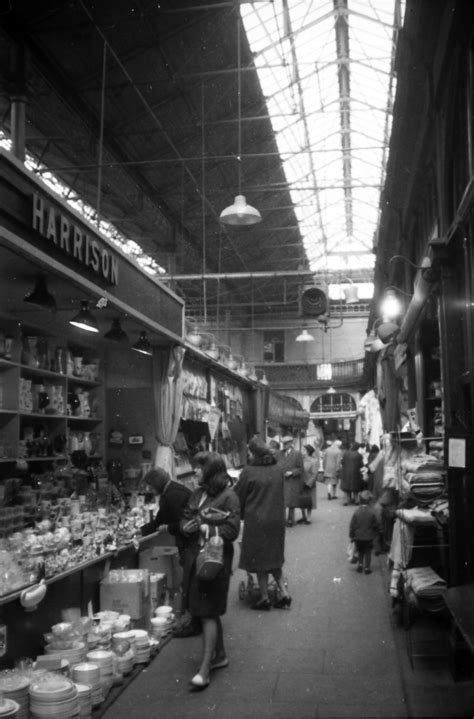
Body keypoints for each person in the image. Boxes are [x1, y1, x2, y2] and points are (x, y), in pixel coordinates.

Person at [177, 454, 240, 691]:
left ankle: (204, 670)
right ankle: (220, 655)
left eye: (198, 469)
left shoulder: (229, 497)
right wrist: (186, 527)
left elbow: (232, 530)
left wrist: (208, 527)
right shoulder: (197, 493)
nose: (195, 473)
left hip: (215, 560)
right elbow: (184, 518)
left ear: (211, 471)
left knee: (206, 612)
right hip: (196, 559)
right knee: (207, 610)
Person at [235, 436, 292, 610]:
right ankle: (283, 593)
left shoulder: (249, 471)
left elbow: (239, 495)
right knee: (273, 557)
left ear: (253, 453)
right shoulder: (277, 468)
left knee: (259, 558)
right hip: (276, 519)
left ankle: (264, 597)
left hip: (256, 520)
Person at [349, 489, 380, 574]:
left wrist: (352, 536)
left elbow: (352, 525)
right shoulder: (372, 512)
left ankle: (360, 565)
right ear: (369, 501)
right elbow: (376, 524)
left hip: (358, 537)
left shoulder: (356, 512)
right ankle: (367, 568)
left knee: (360, 551)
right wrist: (376, 532)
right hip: (369, 537)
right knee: (368, 552)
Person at [278, 435, 305, 526]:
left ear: (290, 444)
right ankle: (282, 520)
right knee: (281, 502)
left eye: (286, 444)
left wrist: (292, 473)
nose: (284, 446)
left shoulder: (297, 454)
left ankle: (290, 520)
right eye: (283, 444)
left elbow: (301, 469)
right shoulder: (279, 454)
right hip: (281, 481)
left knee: (291, 503)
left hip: (292, 481)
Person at [300, 444, 318, 523]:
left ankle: (308, 517)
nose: (302, 451)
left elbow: (314, 474)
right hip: (300, 482)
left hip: (309, 484)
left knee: (309, 500)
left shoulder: (313, 461)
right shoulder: (300, 459)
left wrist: (308, 483)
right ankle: (303, 516)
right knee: (301, 500)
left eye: (303, 450)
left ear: (308, 451)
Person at [323, 435, 343, 500]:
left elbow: (324, 460)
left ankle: (329, 492)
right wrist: (338, 469)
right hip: (334, 468)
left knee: (329, 481)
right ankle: (334, 494)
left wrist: (324, 467)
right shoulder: (338, 451)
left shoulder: (327, 450)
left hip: (327, 467)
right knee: (334, 481)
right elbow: (338, 462)